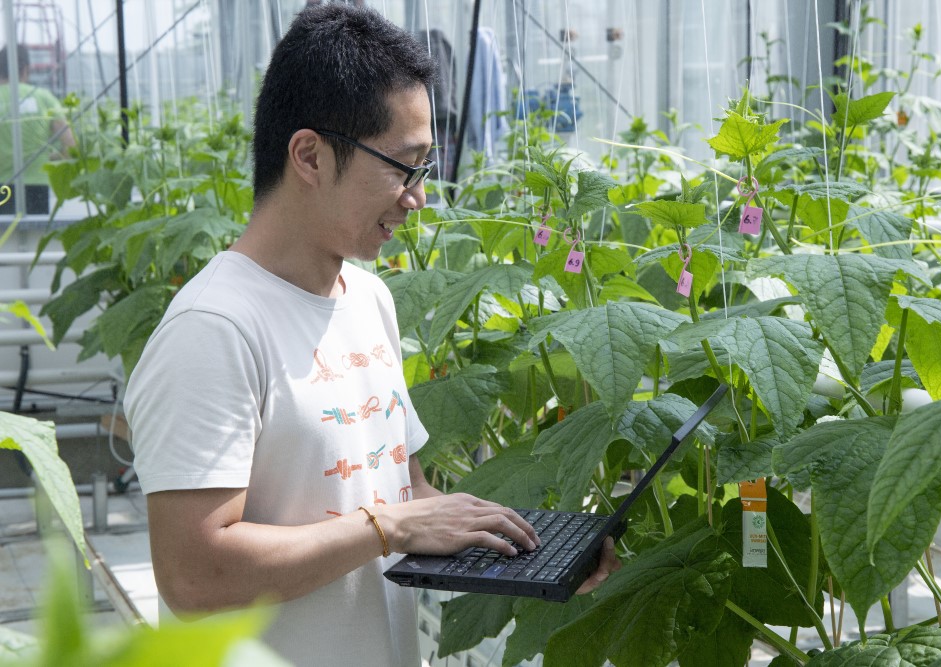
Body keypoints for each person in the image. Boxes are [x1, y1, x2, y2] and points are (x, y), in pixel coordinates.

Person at [123, 5, 619, 666]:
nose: (416, 197)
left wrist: (525, 543)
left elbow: (404, 491)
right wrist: (388, 526)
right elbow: (194, 575)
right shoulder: (214, 328)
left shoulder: (369, 300)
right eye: (403, 166)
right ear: (310, 155)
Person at [0, 44, 75, 215]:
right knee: (34, 237)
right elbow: (71, 145)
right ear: (26, 69)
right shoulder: (43, 97)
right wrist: (51, 157)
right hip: (37, 184)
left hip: (2, 187)